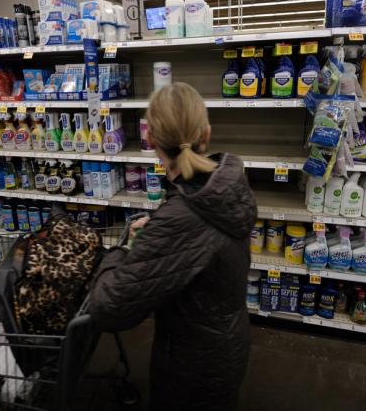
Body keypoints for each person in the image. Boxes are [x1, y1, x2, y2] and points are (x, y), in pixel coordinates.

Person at [89, 82, 257, 410]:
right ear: (205, 135)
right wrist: (162, 233)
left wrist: (117, 255)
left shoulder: (180, 218)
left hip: (192, 364)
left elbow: (109, 308)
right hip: (227, 342)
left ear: (150, 140)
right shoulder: (225, 187)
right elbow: (203, 240)